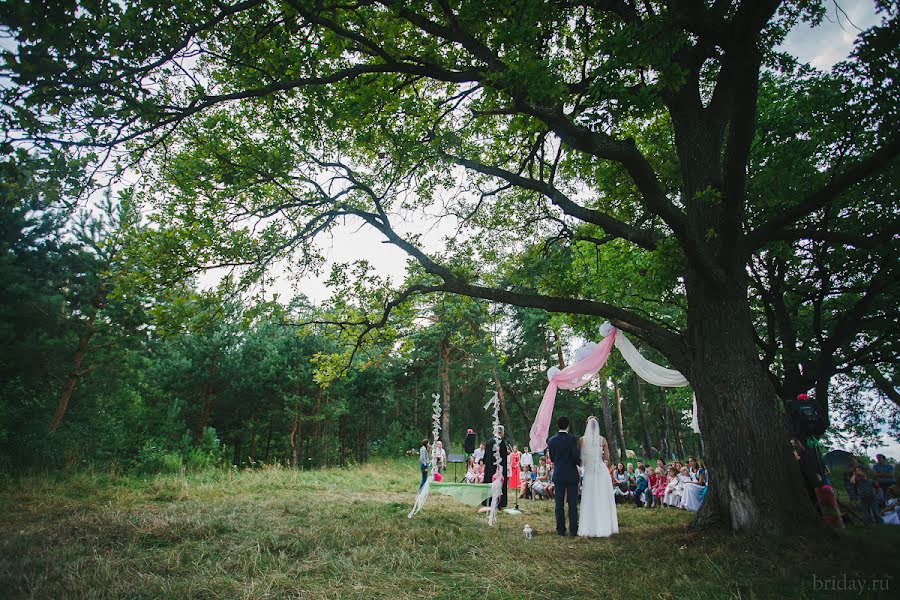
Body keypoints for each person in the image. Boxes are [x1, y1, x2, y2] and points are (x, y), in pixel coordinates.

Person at [577, 416, 618, 537]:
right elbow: (606, 458)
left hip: (589, 470)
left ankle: (590, 526)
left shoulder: (582, 440)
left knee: (590, 497)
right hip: (601, 470)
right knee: (602, 496)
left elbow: (581, 458)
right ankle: (604, 525)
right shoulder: (602, 440)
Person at [548, 415, 581, 536]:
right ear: (568, 426)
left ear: (558, 425)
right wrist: (579, 462)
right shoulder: (572, 439)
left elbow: (552, 458)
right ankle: (573, 530)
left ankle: (560, 530)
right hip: (571, 474)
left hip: (558, 473)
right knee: (572, 504)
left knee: (559, 503)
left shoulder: (551, 440)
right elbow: (575, 456)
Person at [481, 426, 509, 509]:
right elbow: (502, 457)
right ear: (501, 432)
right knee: (498, 484)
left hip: (489, 468)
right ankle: (499, 502)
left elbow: (485, 456)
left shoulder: (489, 441)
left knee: (488, 483)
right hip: (497, 469)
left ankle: (487, 501)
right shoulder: (500, 442)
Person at [791, 437, 821, 511]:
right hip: (804, 476)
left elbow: (807, 464)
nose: (792, 445)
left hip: (810, 476)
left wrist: (799, 459)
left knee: (814, 493)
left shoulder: (805, 452)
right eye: (791, 443)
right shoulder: (796, 452)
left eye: (793, 443)